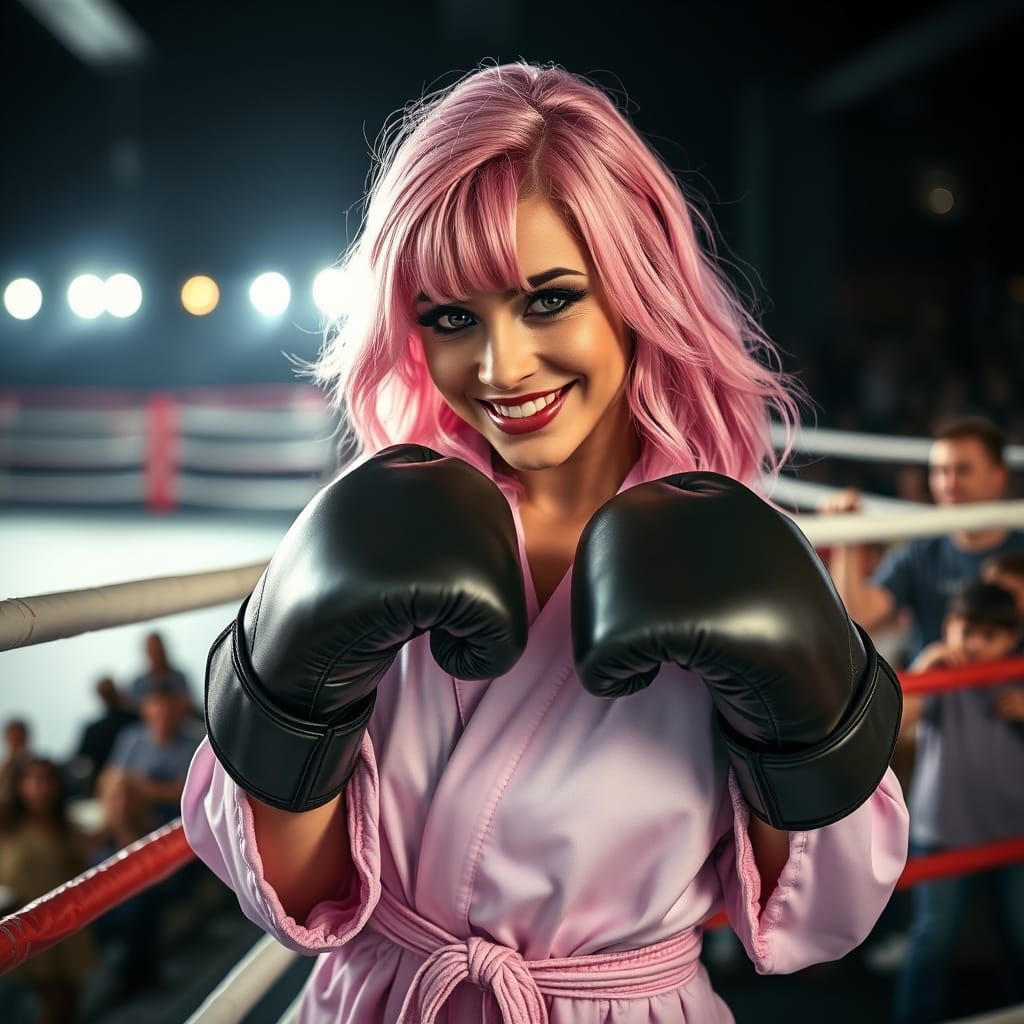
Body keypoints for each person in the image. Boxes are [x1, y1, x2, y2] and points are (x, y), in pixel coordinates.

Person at [182, 62, 909, 1022]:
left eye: (548, 299)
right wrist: (291, 695)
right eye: (450, 317)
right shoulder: (388, 530)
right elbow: (301, 896)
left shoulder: (733, 550)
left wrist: (802, 715)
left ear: (635, 287)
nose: (499, 365)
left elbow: (827, 913)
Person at [892, 581, 1024, 1023]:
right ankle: (913, 1015)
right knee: (932, 936)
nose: (974, 645)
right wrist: (925, 669)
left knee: (1020, 933)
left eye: (990, 636)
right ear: (948, 626)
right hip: (944, 827)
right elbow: (896, 722)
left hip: (1012, 825)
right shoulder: (941, 672)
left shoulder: (1017, 676)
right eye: (965, 630)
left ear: (1010, 638)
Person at [822, 415, 1024, 662]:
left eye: (963, 470)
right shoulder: (921, 550)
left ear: (998, 476)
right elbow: (859, 617)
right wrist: (846, 540)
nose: (949, 483)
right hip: (935, 696)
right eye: (939, 471)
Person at [0, 758, 97, 1024]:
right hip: (26, 925)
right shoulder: (9, 827)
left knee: (71, 1002)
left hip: (66, 926)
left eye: (47, 780)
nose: (40, 788)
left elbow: (82, 868)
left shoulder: (67, 827)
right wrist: (14, 756)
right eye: (32, 780)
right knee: (53, 1003)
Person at [69, 676, 138, 798]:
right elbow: (81, 761)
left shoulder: (93, 729)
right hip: (107, 787)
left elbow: (80, 761)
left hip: (133, 784)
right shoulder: (135, 721)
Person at [0, 718, 33, 808]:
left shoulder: (35, 763)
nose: (16, 740)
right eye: (13, 736)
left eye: (20, 735)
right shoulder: (3, 764)